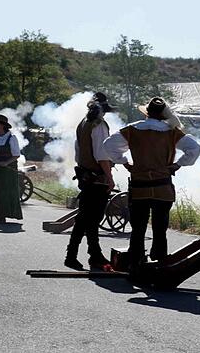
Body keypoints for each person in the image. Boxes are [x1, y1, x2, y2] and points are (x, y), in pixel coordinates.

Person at [104, 97, 200, 269]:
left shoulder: (133, 129)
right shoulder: (172, 132)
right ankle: (159, 263)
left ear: (147, 112)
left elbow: (109, 144)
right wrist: (177, 165)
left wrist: (124, 162)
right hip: (163, 187)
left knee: (138, 229)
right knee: (160, 229)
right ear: (163, 114)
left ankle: (136, 262)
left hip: (139, 186)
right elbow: (194, 148)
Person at [64, 92, 116, 270]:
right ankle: (79, 255)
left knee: (87, 218)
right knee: (90, 218)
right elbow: (102, 155)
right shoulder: (99, 125)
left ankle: (92, 255)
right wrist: (109, 177)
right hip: (97, 177)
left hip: (85, 175)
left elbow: (79, 153)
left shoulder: (83, 124)